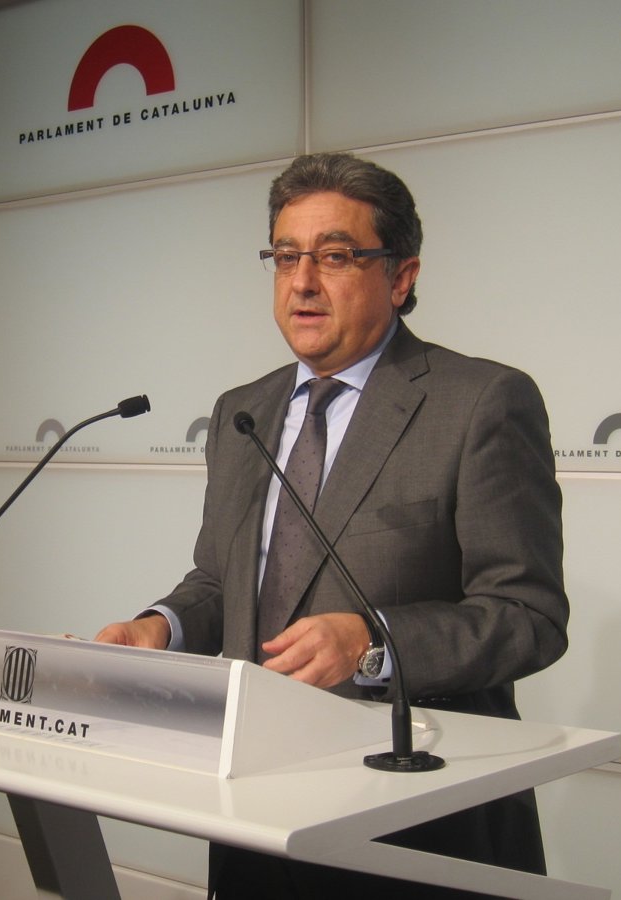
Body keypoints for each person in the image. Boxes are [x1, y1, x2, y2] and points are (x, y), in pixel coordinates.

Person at [95, 152, 568, 898]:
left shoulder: (480, 403)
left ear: (401, 277)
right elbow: (222, 582)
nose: (303, 282)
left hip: (414, 822)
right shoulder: (242, 411)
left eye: (336, 256)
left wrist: (374, 643)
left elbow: (528, 617)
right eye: (286, 257)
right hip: (256, 809)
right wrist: (161, 628)